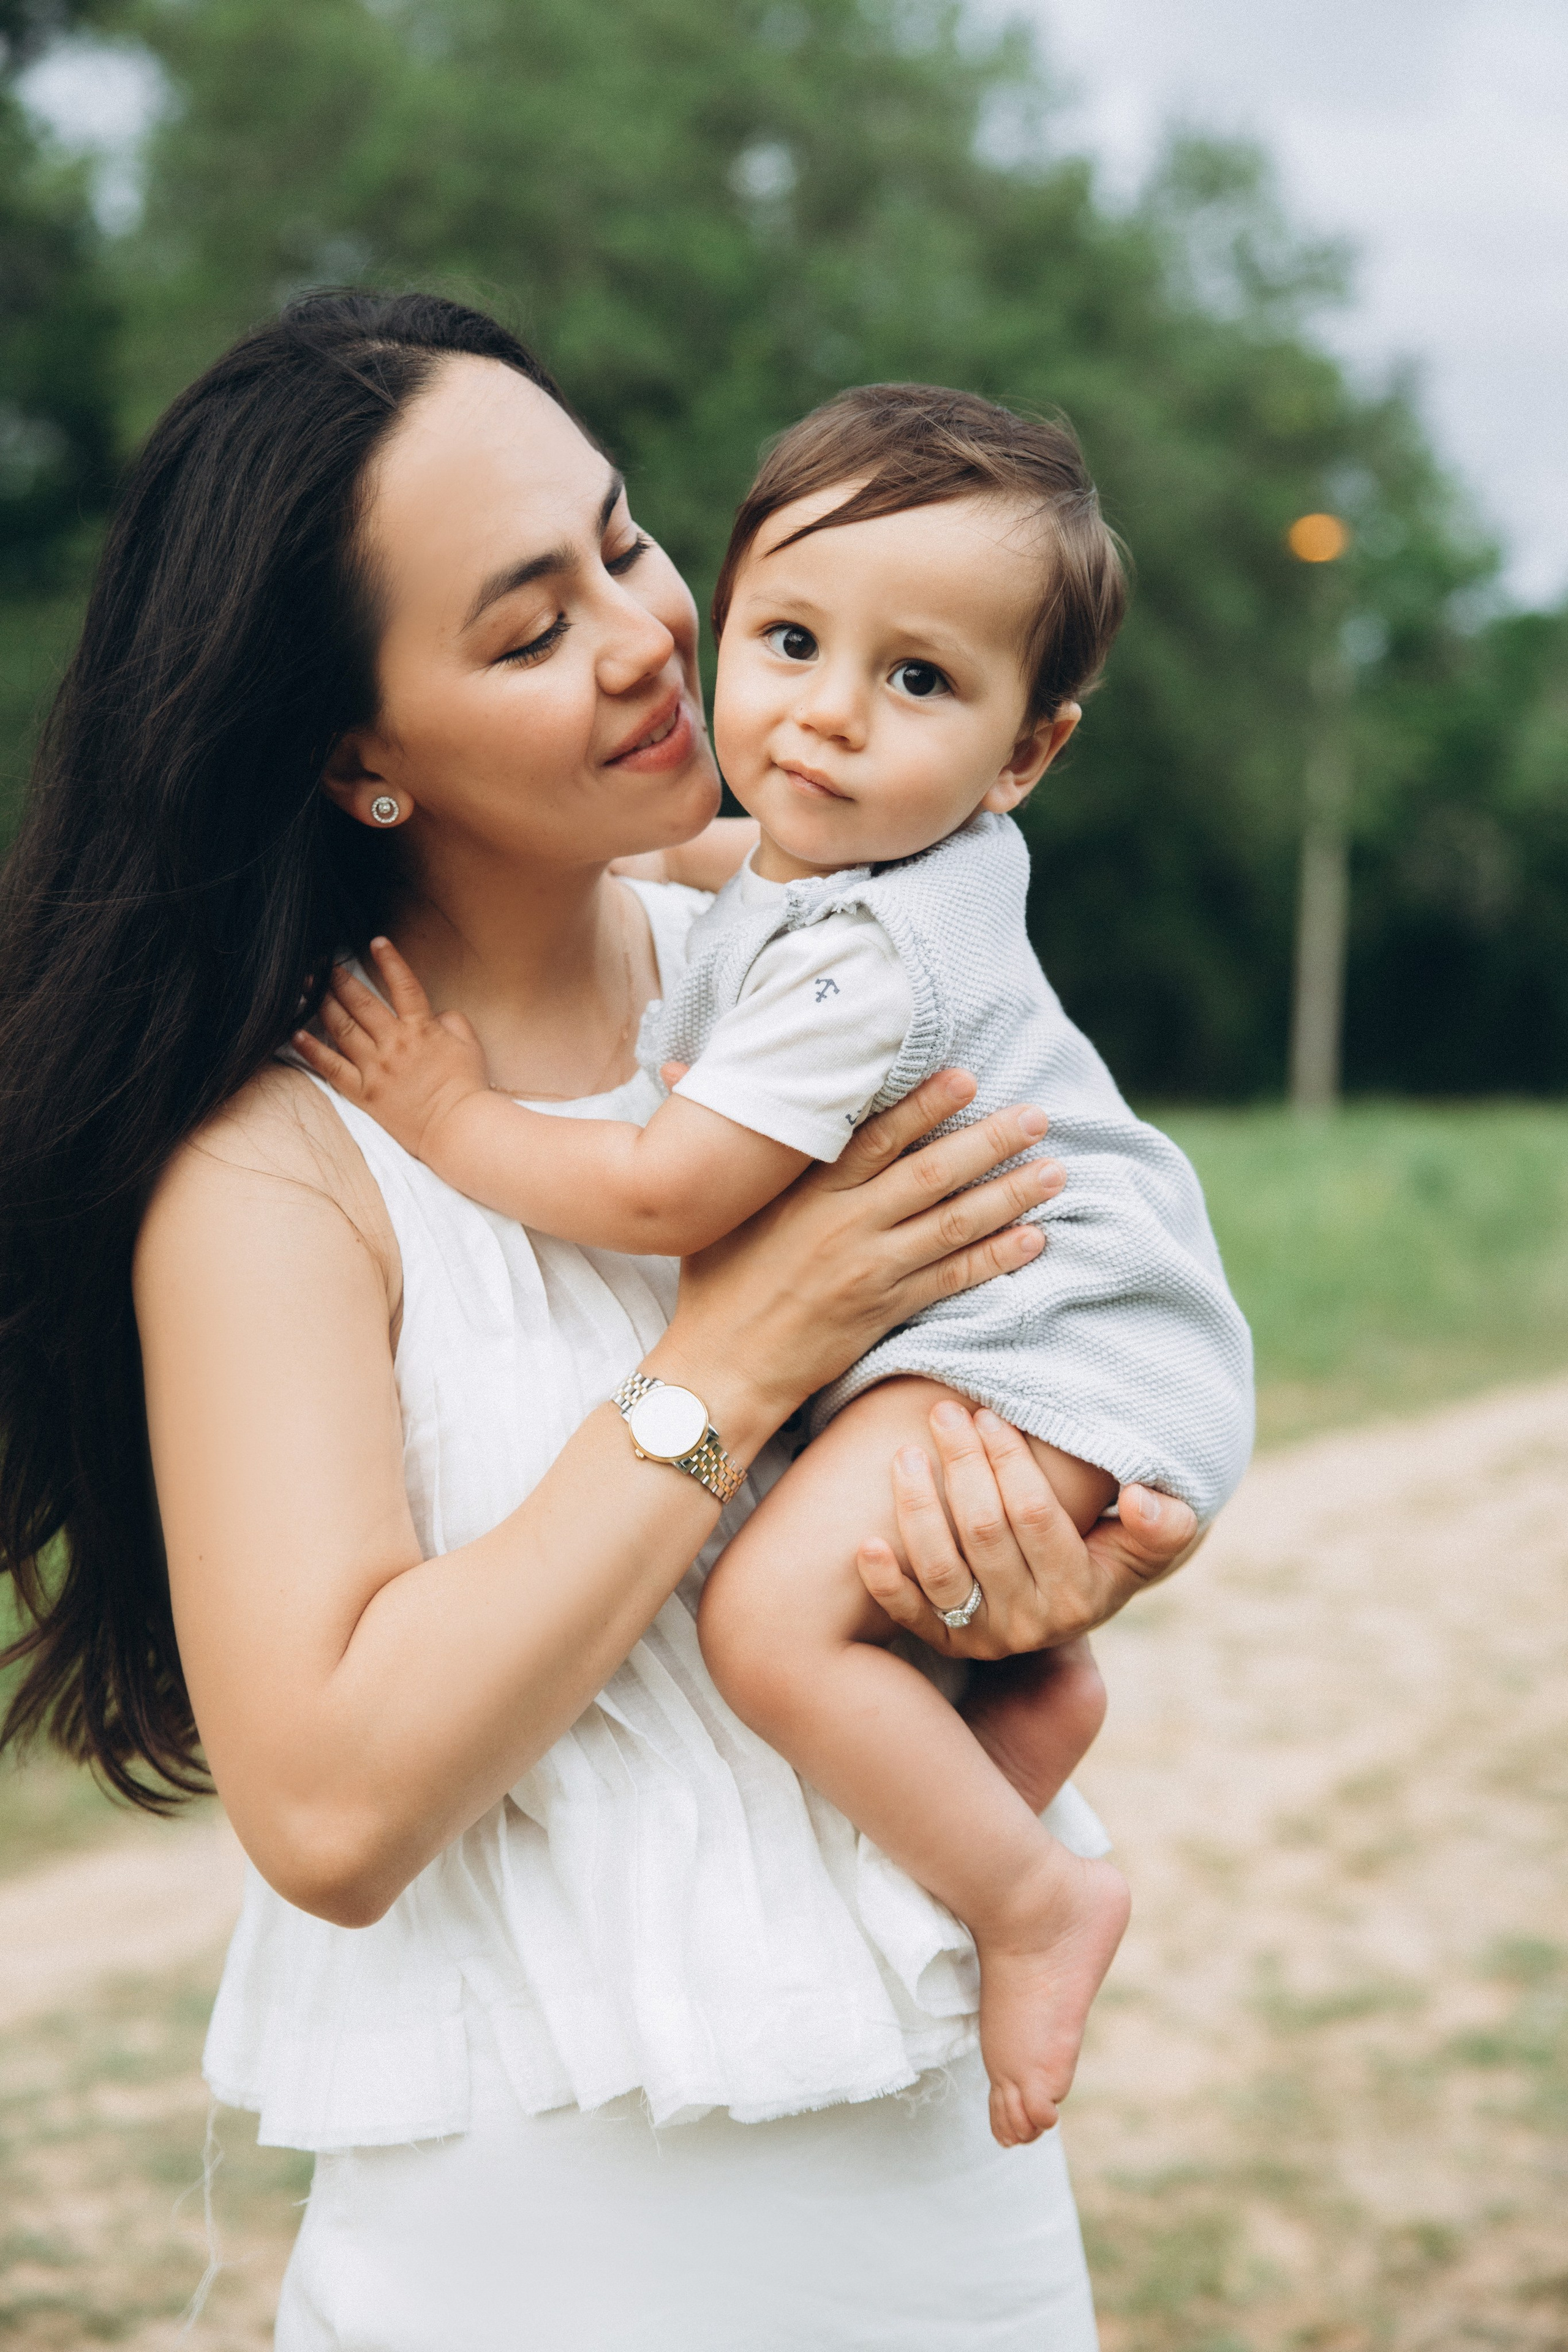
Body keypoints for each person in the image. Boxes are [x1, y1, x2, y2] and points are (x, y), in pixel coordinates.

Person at [0, 292, 1226, 2351]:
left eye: (626, 539)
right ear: (357, 754)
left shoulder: (808, 968)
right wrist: (728, 1366)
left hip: (957, 2210)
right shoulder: (284, 1170)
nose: (648, 634)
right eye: (526, 630)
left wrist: (1030, 1568)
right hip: (549, 2256)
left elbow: (1021, 1353)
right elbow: (330, 1813)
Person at [296, 382, 1253, 2152]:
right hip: (1074, 1322)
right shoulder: (824, 863)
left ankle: (1039, 1899)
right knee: (842, 1591)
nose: (824, 716)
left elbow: (667, 1189)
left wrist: (446, 1114)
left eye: (918, 681)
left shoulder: (856, 962)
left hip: (1048, 1336)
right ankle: (1018, 1709)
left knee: (763, 1623)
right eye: (791, 641)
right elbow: (718, 860)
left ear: (1026, 754)